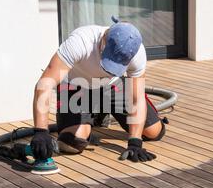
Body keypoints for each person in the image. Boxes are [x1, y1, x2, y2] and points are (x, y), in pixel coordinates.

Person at [30, 17, 166, 164]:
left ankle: (101, 110)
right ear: (104, 39)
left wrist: (135, 142)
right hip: (76, 85)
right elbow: (45, 84)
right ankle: (95, 114)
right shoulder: (80, 42)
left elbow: (136, 98)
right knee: (73, 143)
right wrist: (41, 131)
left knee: (153, 132)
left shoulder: (136, 52)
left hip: (113, 86)